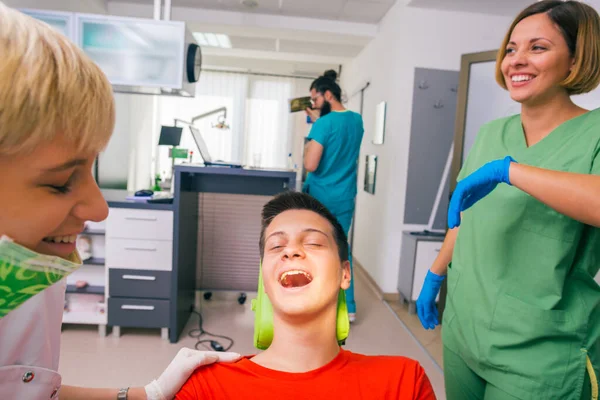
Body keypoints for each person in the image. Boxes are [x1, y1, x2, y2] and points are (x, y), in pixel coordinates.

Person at [0, 4, 240, 399]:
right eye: (61, 182)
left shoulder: (23, 276)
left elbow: (29, 391)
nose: (99, 210)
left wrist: (151, 393)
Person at [416, 1, 600, 399]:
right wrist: (434, 273)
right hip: (465, 329)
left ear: (574, 61)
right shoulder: (491, 133)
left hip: (542, 351)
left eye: (538, 47)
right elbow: (465, 217)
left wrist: (511, 171)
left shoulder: (595, 132)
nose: (516, 60)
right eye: (512, 48)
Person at [175, 191, 436, 400]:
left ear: (346, 274)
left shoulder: (403, 382)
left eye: (312, 242)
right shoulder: (206, 386)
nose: (291, 252)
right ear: (265, 280)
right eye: (276, 246)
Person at [303, 70, 364, 322]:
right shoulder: (356, 120)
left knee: (314, 250)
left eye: (315, 99)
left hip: (321, 198)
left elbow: (311, 164)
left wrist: (315, 129)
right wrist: (319, 120)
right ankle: (348, 307)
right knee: (341, 249)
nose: (313, 104)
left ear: (328, 94)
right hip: (345, 197)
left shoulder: (323, 124)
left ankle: (316, 303)